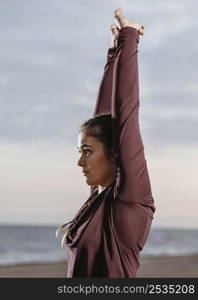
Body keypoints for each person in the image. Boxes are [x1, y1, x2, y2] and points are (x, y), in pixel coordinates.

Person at [56, 8, 156, 277]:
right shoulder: (98, 199)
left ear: (114, 152)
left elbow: (125, 116)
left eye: (87, 152)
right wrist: (113, 56)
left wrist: (129, 36)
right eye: (80, 151)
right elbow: (104, 118)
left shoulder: (128, 202)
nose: (80, 161)